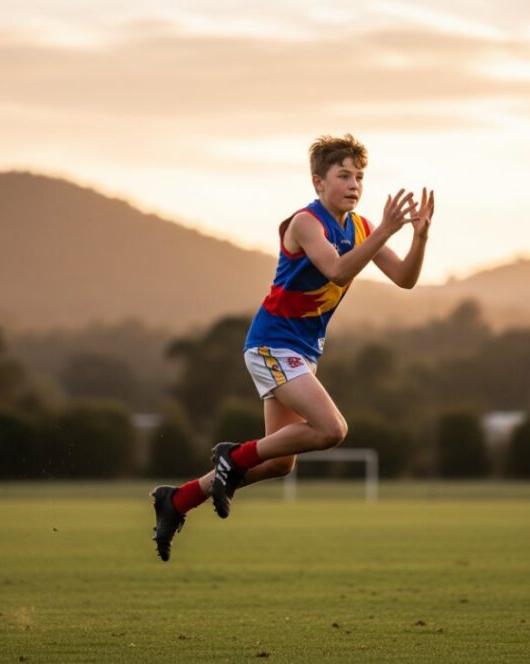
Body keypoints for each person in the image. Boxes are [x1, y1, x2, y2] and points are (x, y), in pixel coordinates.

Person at [152, 134, 434, 561]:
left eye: (359, 176)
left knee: (282, 461)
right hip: (272, 344)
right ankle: (232, 455)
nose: (354, 184)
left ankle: (178, 500)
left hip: (301, 353)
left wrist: (419, 237)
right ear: (319, 182)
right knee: (332, 430)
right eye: (343, 176)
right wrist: (387, 231)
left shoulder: (360, 227)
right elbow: (338, 271)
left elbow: (405, 279)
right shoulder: (306, 222)